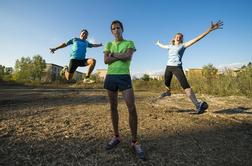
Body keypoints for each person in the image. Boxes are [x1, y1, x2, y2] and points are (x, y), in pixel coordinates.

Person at [156, 20, 223, 114]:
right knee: (166, 83)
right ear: (174, 38)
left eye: (180, 37)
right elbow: (162, 46)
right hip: (168, 67)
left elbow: (196, 39)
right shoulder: (169, 46)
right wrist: (158, 43)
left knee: (186, 86)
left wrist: (209, 30)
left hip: (177, 68)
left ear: (181, 39)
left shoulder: (183, 45)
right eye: (177, 36)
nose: (178, 38)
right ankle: (168, 92)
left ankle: (198, 105)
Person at [103, 20, 145, 160]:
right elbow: (105, 61)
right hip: (110, 77)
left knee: (131, 107)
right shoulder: (108, 44)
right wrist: (115, 56)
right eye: (113, 28)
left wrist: (113, 55)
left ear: (122, 29)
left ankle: (134, 141)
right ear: (111, 31)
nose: (116, 30)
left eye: (118, 28)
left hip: (124, 76)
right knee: (113, 107)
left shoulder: (129, 43)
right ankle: (116, 137)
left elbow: (128, 56)